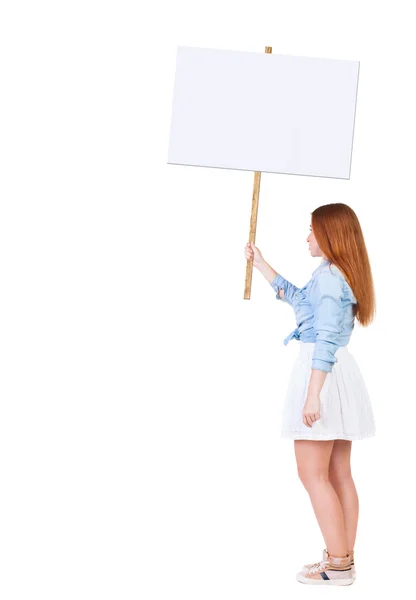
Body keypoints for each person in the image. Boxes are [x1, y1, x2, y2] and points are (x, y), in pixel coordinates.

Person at [244, 203, 376, 586]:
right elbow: (302, 302)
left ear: (330, 235)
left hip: (323, 371)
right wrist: (262, 264)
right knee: (337, 473)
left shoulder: (332, 278)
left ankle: (337, 566)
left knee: (313, 474)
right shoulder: (331, 274)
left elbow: (325, 339)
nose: (307, 237)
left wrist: (313, 393)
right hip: (334, 371)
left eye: (312, 231)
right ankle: (342, 560)